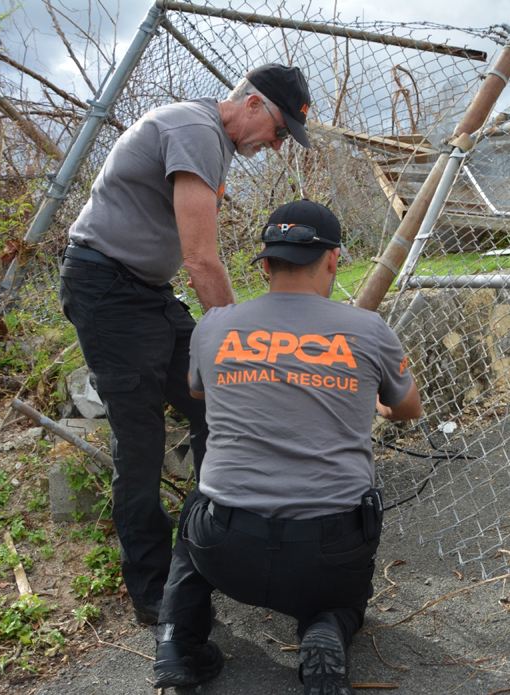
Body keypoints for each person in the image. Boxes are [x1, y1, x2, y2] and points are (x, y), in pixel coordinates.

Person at [58, 64, 314, 625]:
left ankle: (210, 550)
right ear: (251, 104)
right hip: (107, 289)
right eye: (276, 129)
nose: (274, 144)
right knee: (142, 440)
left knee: (213, 406)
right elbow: (202, 260)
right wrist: (242, 350)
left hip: (147, 292)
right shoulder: (196, 130)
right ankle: (157, 595)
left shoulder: (210, 138)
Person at [149, 199, 422, 694]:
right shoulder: (368, 330)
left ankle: (177, 646)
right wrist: (373, 401)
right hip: (328, 554)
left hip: (225, 548)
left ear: (267, 263)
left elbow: (198, 389)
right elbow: (408, 408)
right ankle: (326, 626)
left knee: (196, 512)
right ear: (334, 259)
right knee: (345, 598)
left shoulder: (214, 326)